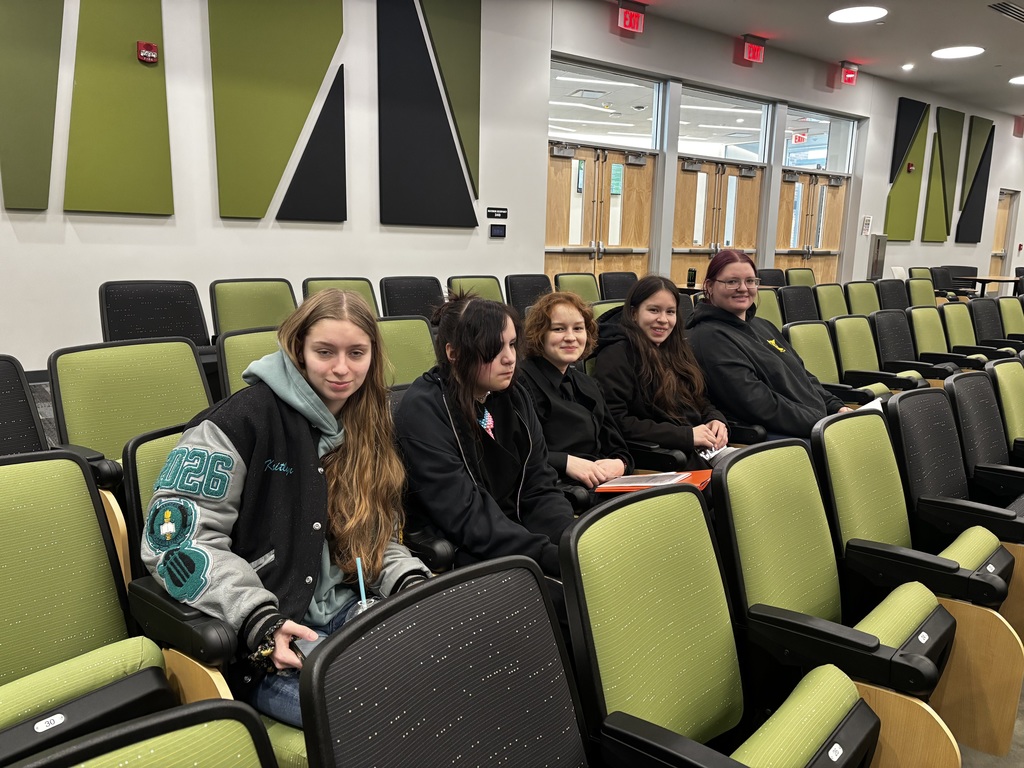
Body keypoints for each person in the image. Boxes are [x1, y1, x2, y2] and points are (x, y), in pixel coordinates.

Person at [141, 290, 430, 728]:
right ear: (298, 349)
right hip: (273, 643)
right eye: (324, 352)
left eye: (356, 353)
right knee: (381, 721)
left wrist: (409, 581)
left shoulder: (368, 422)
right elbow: (175, 542)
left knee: (451, 674)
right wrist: (258, 617)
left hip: (348, 611)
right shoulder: (236, 423)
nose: (341, 369)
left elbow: (375, 539)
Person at [393, 293, 575, 580]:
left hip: (520, 540)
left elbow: (539, 485)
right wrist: (547, 555)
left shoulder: (513, 396)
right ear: (453, 353)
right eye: (493, 347)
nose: (510, 358)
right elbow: (465, 517)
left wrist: (570, 541)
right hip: (468, 551)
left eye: (513, 344)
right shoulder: (424, 409)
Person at [686, 250, 852, 438]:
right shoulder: (709, 338)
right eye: (732, 282)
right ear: (709, 286)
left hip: (811, 424)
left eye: (750, 281)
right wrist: (820, 423)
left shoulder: (762, 325)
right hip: (775, 434)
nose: (743, 288)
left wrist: (836, 407)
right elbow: (759, 403)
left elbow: (802, 376)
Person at [592, 274, 728, 471]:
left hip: (703, 448)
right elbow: (617, 421)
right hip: (667, 455)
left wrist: (715, 419)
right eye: (654, 310)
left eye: (670, 312)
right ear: (633, 313)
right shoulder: (616, 354)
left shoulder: (676, 348)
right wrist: (686, 436)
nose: (663, 320)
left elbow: (699, 399)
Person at [520, 291, 632, 493]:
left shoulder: (588, 384)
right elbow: (520, 453)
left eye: (578, 328)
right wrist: (566, 462)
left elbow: (617, 445)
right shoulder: (521, 383)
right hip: (555, 491)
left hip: (602, 484)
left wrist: (620, 463)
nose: (570, 337)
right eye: (559, 329)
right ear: (539, 334)